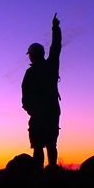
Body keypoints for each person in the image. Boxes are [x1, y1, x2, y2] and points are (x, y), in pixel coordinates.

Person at [22, 13, 62, 169]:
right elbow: (56, 47)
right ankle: (52, 170)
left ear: (31, 56)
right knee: (51, 144)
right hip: (52, 111)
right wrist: (56, 28)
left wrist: (30, 110)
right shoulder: (51, 65)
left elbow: (24, 95)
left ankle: (38, 174)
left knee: (38, 145)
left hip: (39, 114)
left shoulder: (30, 73)